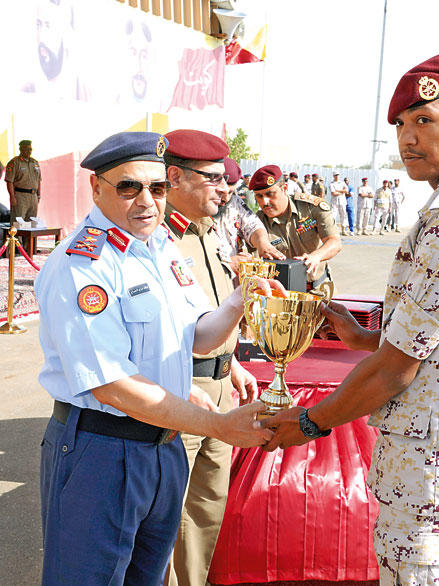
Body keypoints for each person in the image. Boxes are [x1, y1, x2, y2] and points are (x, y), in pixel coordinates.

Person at [262, 52, 439, 585]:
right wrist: (365, 337)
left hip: (437, 479)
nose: (407, 138)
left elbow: (395, 370)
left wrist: (310, 422)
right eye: (402, 125)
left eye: (425, 120)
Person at [35, 131, 276, 585]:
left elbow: (198, 337)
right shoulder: (83, 263)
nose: (147, 201)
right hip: (102, 449)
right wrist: (218, 425)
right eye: (129, 187)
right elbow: (112, 385)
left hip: (163, 448)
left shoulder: (158, 247)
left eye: (158, 187)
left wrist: (238, 301)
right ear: (97, 187)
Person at [160, 132, 279, 586]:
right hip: (181, 390)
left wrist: (232, 364)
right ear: (175, 177)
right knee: (170, 512)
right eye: (212, 178)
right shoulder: (158, 238)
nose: (224, 188)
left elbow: (208, 312)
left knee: (206, 506)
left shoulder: (207, 233)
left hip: (220, 384)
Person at [250, 164, 342, 290]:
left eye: (270, 194)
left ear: (284, 188)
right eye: (259, 196)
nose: (264, 202)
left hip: (318, 290)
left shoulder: (311, 208)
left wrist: (316, 256)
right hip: (280, 294)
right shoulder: (256, 223)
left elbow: (334, 241)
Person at [212, 157, 285, 274]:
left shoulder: (235, 202)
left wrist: (263, 243)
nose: (225, 198)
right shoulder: (193, 208)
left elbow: (252, 225)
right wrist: (227, 264)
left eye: (230, 192)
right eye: (220, 192)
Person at [5, 140, 42, 223]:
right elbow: (9, 181)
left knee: (32, 223)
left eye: (30, 149)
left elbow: (38, 180)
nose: (29, 151)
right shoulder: (14, 163)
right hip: (20, 196)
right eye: (26, 149)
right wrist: (12, 197)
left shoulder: (35, 163)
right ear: (21, 149)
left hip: (33, 196)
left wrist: (38, 195)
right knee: (18, 223)